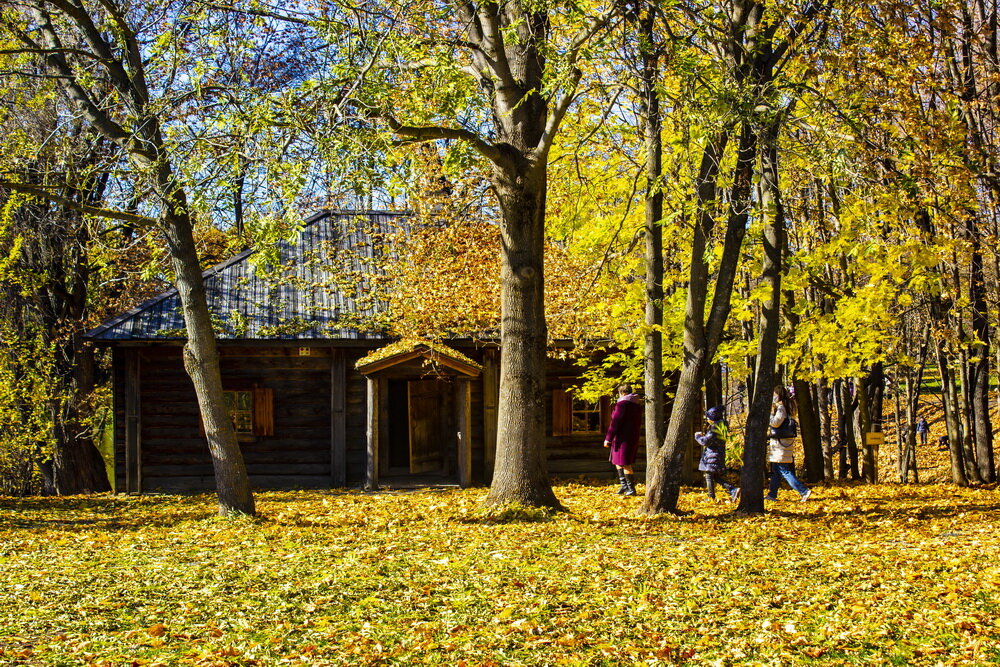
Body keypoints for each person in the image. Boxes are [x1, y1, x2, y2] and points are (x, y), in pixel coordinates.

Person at [765, 385, 812, 502]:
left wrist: (770, 415)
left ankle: (803, 490)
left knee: (783, 470)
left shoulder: (781, 408)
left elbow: (775, 423)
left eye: (774, 395)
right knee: (776, 470)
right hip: (781, 442)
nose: (773, 397)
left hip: (780, 443)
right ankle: (772, 494)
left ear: (778, 395)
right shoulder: (787, 406)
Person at [603, 383, 643, 496]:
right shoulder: (636, 405)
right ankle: (624, 486)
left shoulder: (622, 404)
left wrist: (608, 438)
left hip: (623, 439)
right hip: (630, 436)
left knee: (625, 463)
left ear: (622, 393)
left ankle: (631, 489)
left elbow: (615, 423)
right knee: (618, 462)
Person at [695, 406, 739, 502]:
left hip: (713, 454)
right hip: (718, 453)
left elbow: (705, 442)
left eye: (709, 417)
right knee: (715, 476)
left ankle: (711, 497)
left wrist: (698, 437)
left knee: (709, 475)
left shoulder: (715, 427)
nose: (708, 420)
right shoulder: (722, 425)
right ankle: (733, 490)